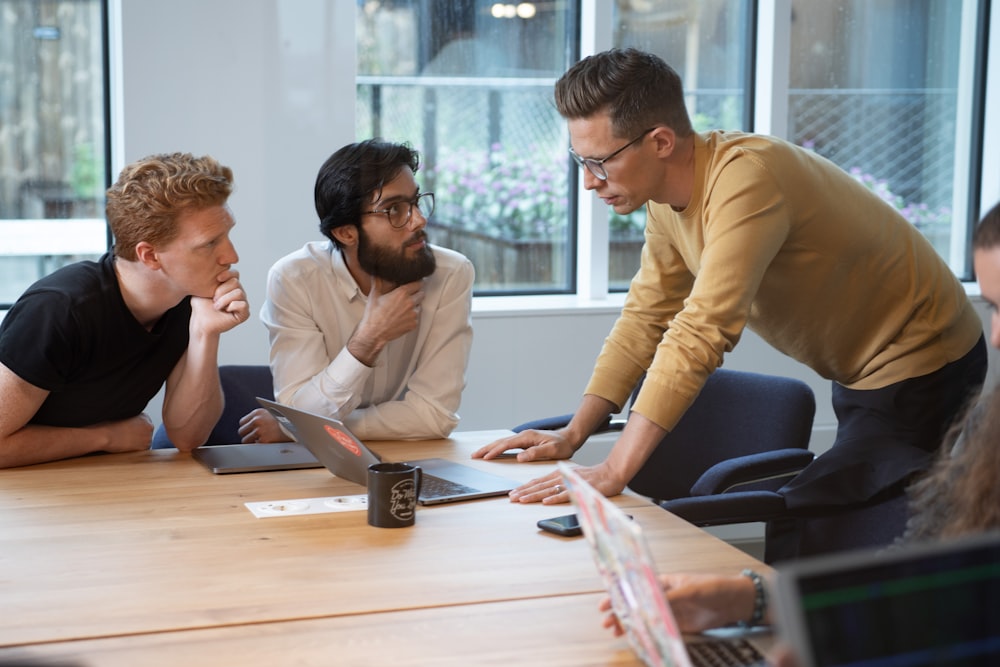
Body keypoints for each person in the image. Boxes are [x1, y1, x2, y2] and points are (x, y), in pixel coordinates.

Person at [474, 48, 986, 530]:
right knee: (836, 516)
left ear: (659, 142)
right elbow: (646, 317)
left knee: (822, 518)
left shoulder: (746, 181)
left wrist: (614, 470)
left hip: (925, 358)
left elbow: (702, 331)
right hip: (861, 368)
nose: (589, 181)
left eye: (599, 162)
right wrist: (574, 433)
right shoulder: (662, 201)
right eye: (580, 161)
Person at [600, 201, 1000, 664]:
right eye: (992, 306)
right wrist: (748, 598)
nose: (994, 337)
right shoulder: (988, 429)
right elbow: (919, 575)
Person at [0, 152, 249, 468]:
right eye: (209, 244)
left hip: (104, 483)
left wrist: (205, 332)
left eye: (227, 235)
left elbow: (187, 438)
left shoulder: (185, 300)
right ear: (150, 256)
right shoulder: (59, 311)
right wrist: (105, 437)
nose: (232, 256)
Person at [237, 139, 474, 444]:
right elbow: (299, 412)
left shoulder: (451, 273)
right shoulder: (295, 279)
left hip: (404, 462)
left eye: (415, 202)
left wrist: (298, 428)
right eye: (394, 210)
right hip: (311, 468)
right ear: (346, 233)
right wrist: (368, 340)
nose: (419, 220)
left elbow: (434, 415)